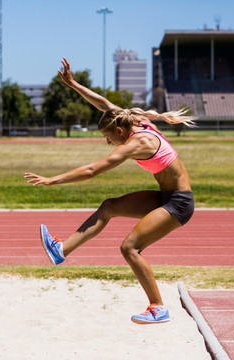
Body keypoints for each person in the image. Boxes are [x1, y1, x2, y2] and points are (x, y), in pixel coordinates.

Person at [24, 58, 197, 324]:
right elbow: (103, 104)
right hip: (166, 196)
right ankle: (60, 251)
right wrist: (73, 84)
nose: (108, 143)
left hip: (179, 203)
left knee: (130, 248)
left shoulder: (137, 143)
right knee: (109, 206)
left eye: (108, 138)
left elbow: (93, 170)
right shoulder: (135, 121)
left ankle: (158, 307)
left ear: (119, 131)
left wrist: (52, 180)